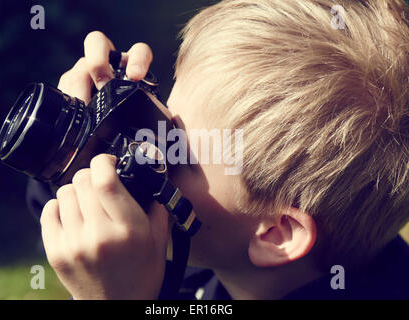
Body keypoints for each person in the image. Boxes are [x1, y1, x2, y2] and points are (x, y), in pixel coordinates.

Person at [28, 0, 409, 299]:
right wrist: (79, 138)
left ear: (277, 233)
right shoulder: (226, 246)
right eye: (157, 115)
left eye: (176, 153)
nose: (142, 146)